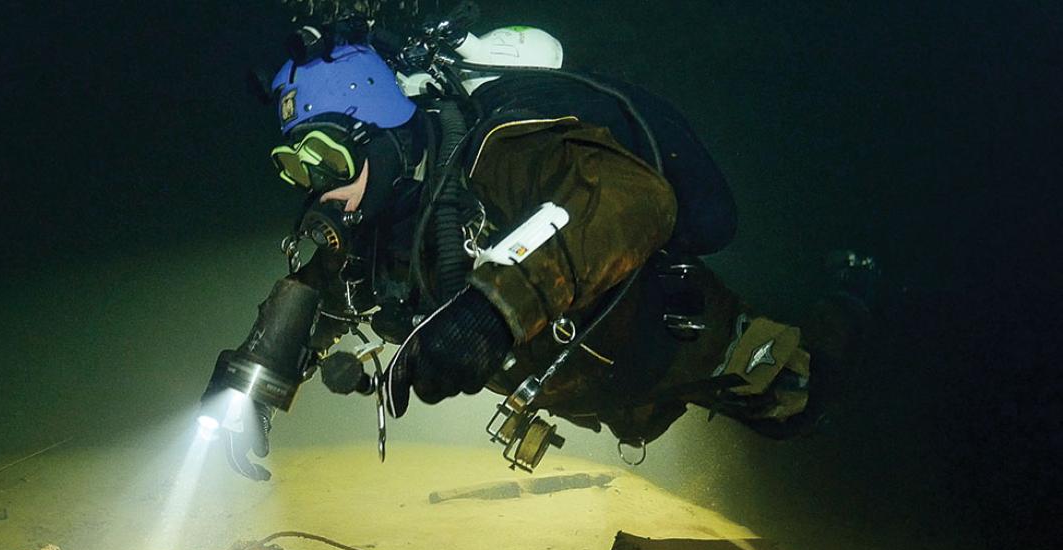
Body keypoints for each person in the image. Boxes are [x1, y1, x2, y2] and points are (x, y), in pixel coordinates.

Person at [205, 34, 876, 480]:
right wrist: (255, 379)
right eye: (295, 170)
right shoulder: (374, 224)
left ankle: (852, 291)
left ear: (379, 131)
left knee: (803, 407)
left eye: (327, 159)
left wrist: (492, 312)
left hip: (679, 341)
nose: (320, 191)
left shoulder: (503, 148)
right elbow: (320, 285)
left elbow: (633, 200)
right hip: (603, 391)